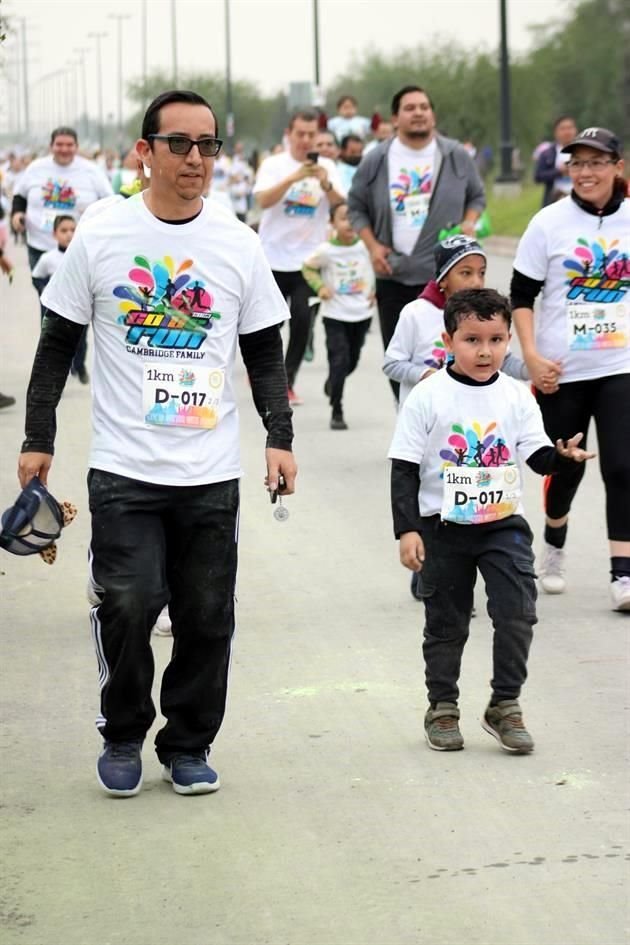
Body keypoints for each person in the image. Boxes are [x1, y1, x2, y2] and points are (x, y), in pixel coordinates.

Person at [17, 89, 297, 798]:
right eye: (180, 143)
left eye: (208, 145)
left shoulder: (236, 242)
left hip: (209, 471)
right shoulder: (104, 233)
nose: (196, 158)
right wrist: (37, 437)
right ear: (145, 152)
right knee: (130, 602)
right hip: (123, 465)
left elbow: (265, 352)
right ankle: (121, 731)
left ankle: (188, 742)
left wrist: (279, 438)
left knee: (207, 616)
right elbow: (56, 346)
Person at [388, 288, 595, 753]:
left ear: (508, 342)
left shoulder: (516, 395)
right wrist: (407, 530)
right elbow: (403, 467)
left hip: (502, 525)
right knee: (447, 623)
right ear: (449, 340)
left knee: (518, 613)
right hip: (443, 528)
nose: (485, 351)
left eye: (497, 340)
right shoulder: (428, 396)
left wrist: (562, 459)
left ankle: (505, 704)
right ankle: (442, 706)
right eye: (472, 340)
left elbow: (536, 454)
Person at [511, 126, 630, 611]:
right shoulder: (548, 222)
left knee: (623, 467)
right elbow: (521, 295)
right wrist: (533, 357)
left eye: (596, 162)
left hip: (620, 363)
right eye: (578, 163)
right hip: (562, 370)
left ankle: (622, 574)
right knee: (564, 469)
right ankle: (554, 544)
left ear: (616, 167)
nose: (586, 172)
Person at [348, 85, 486, 400]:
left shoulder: (454, 155)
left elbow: (477, 195)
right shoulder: (377, 159)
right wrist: (372, 246)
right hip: (393, 274)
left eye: (424, 106)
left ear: (433, 114)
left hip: (447, 278)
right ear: (395, 118)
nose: (419, 113)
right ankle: (411, 424)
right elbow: (355, 206)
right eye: (410, 108)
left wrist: (468, 223)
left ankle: (452, 422)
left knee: (456, 351)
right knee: (401, 358)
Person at [253, 108, 344, 405]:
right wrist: (293, 178)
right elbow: (263, 199)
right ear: (289, 135)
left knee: (303, 322)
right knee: (272, 325)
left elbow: (341, 207)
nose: (306, 140)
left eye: (311, 134)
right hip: (273, 258)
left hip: (308, 262)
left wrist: (325, 184)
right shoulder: (275, 165)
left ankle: (287, 381)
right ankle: (265, 371)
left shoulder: (328, 166)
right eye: (300, 134)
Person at [383, 235, 529, 405]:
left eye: (481, 273)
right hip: (426, 415)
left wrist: (532, 370)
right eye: (466, 273)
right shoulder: (416, 313)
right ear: (443, 278)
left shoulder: (484, 314)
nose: (476, 282)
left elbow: (505, 362)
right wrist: (425, 375)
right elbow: (392, 364)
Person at [302, 201, 375, 429]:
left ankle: (333, 383)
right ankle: (337, 410)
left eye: (353, 218)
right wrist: (320, 287)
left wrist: (376, 290)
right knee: (339, 359)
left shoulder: (365, 246)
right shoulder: (326, 250)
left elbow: (378, 266)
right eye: (343, 218)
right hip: (335, 314)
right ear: (332, 222)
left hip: (362, 313)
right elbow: (307, 267)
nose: (349, 223)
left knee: (351, 361)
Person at [11, 127, 112, 283]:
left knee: (75, 297)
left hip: (78, 248)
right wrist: (17, 214)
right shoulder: (36, 168)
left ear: (76, 147)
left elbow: (109, 201)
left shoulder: (92, 171)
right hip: (40, 245)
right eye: (59, 144)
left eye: (69, 145)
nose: (64, 149)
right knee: (44, 295)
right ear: (51, 146)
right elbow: (20, 195)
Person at [30, 215, 91, 383]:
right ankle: (52, 379)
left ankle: (79, 366)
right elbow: (36, 277)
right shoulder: (47, 258)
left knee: (80, 341)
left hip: (78, 308)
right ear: (54, 234)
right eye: (64, 231)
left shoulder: (84, 257)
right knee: (52, 342)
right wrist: (44, 291)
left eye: (73, 230)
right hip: (53, 311)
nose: (69, 234)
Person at [534, 116, 578, 207]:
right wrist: (559, 171)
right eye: (563, 128)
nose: (567, 132)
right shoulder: (547, 154)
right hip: (555, 199)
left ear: (576, 130)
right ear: (556, 132)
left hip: (579, 198)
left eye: (570, 128)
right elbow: (538, 176)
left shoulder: (585, 152)